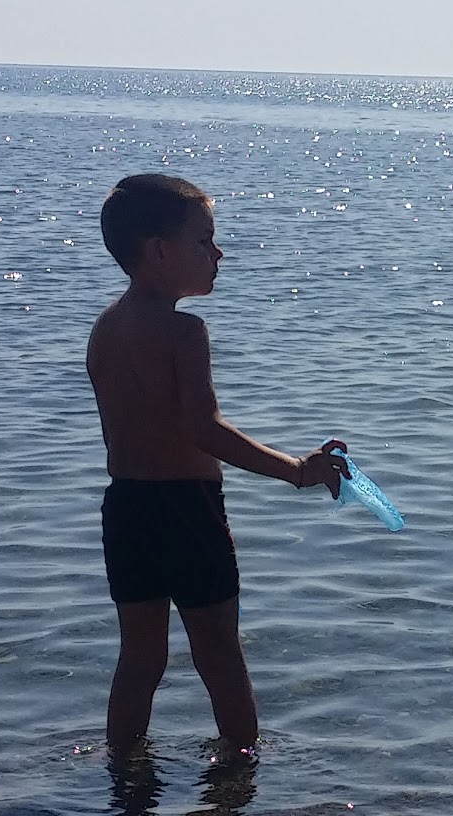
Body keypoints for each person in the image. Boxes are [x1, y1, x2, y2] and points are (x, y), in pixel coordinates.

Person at [88, 173, 350, 756]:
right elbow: (203, 430)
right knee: (219, 655)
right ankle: (240, 774)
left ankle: (123, 771)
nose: (219, 253)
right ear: (159, 252)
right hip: (185, 509)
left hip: (126, 508)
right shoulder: (184, 331)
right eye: (204, 241)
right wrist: (297, 470)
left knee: (140, 656)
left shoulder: (106, 327)